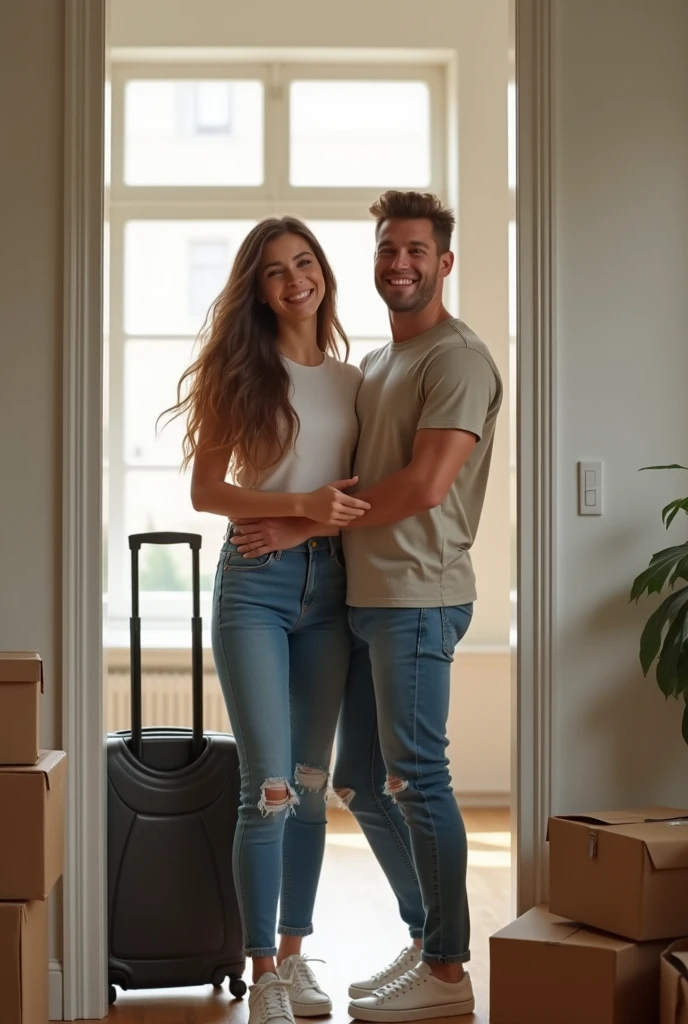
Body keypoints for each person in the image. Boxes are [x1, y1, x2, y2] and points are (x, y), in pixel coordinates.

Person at [231, 190, 503, 1021]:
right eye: (388, 249)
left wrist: (296, 518)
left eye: (417, 250)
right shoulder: (380, 366)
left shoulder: (457, 358)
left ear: (444, 262)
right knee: (356, 779)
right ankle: (427, 938)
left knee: (418, 778)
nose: (400, 264)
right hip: (360, 597)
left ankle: (447, 971)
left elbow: (424, 486)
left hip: (418, 595)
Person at [164, 216, 371, 1024]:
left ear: (323, 271)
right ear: (257, 288)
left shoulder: (358, 383)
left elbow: (363, 499)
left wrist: (313, 522)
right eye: (276, 271)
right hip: (253, 583)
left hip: (333, 588)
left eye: (306, 262)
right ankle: (263, 977)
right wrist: (298, 504)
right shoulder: (243, 373)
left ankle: (296, 955)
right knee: (271, 788)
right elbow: (207, 492)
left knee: (313, 788)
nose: (296, 280)